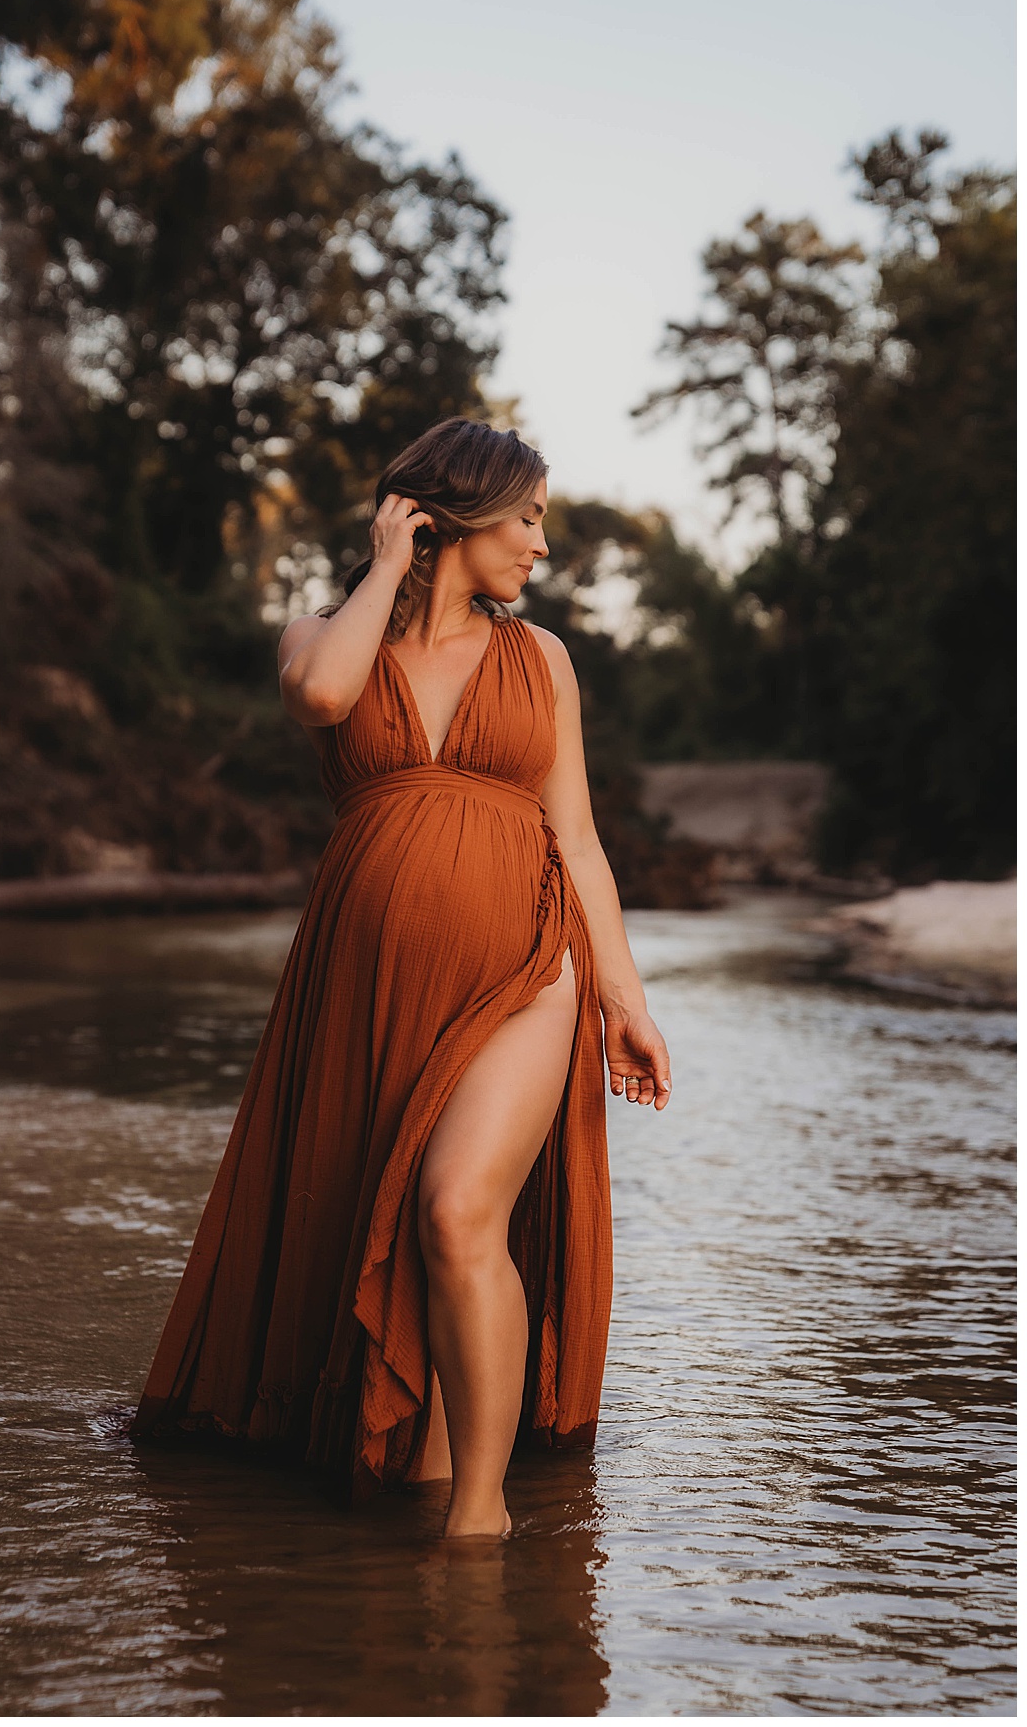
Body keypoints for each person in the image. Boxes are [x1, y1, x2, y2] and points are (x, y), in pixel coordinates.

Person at [129, 418, 672, 1539]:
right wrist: (387, 564)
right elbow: (324, 698)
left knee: (457, 1204)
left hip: (527, 970)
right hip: (367, 989)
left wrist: (626, 999)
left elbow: (576, 837)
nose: (538, 542)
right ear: (445, 515)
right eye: (523, 515)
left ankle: (481, 1520)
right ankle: (423, 1498)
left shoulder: (545, 661)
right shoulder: (321, 635)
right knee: (394, 1231)